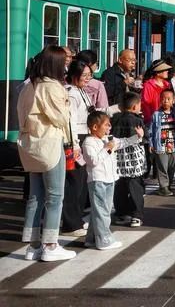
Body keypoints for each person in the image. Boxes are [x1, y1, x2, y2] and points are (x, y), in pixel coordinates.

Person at [18, 45, 76, 262]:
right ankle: (51, 245)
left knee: (35, 196)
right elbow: (61, 119)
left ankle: (32, 245)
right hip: (50, 144)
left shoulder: (28, 86)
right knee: (55, 196)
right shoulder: (52, 87)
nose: (67, 65)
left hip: (30, 146)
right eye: (64, 62)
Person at [82, 111, 143, 250]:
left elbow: (123, 142)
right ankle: (104, 240)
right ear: (95, 127)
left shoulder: (107, 139)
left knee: (102, 210)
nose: (109, 128)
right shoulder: (88, 142)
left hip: (109, 179)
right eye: (106, 125)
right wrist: (107, 149)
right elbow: (93, 161)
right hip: (98, 180)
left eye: (109, 125)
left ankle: (92, 239)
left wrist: (137, 137)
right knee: (102, 211)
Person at [62, 60, 93, 237]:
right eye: (84, 75)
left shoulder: (80, 90)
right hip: (76, 138)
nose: (88, 78)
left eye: (89, 75)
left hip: (83, 135)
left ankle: (77, 219)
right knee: (74, 182)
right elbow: (71, 121)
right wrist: (74, 145)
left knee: (81, 182)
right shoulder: (71, 93)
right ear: (74, 76)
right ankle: (70, 223)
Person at [111, 92, 147, 227]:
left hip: (119, 160)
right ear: (134, 107)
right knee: (135, 188)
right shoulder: (137, 120)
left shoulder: (115, 119)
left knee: (120, 187)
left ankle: (121, 213)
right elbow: (144, 138)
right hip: (134, 161)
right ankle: (136, 215)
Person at [149, 89, 175, 196]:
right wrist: (151, 143)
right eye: (163, 99)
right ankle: (163, 187)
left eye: (168, 99)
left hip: (173, 145)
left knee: (172, 166)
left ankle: (168, 185)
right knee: (162, 167)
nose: (165, 101)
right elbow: (151, 131)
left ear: (173, 101)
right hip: (160, 145)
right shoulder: (156, 114)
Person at [141, 60, 173, 126]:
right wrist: (149, 120)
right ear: (158, 73)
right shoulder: (148, 85)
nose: (167, 71)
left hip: (167, 120)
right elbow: (145, 105)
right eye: (165, 70)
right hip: (153, 121)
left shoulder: (167, 85)